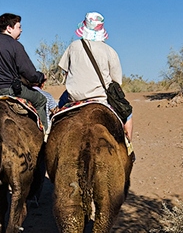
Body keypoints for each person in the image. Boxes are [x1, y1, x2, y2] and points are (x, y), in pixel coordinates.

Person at [57, 12, 133, 142]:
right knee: (128, 115)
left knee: (56, 113)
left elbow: (65, 72)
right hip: (101, 99)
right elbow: (116, 81)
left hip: (74, 97)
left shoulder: (73, 47)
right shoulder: (110, 51)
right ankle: (129, 148)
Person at [0, 13, 49, 130]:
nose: (21, 30)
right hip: (8, 90)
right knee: (41, 100)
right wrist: (41, 77)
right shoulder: (15, 45)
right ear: (9, 28)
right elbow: (30, 74)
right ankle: (44, 135)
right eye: (19, 27)